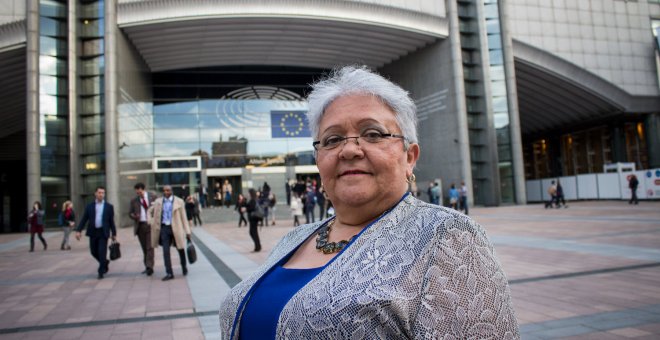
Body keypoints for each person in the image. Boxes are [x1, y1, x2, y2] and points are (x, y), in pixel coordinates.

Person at [219, 66, 518, 338]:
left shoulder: (448, 236)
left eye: (372, 134)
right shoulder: (294, 238)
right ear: (318, 159)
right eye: (332, 139)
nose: (349, 150)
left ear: (409, 157)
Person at [150, 185, 191, 281]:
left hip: (176, 228)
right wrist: (151, 221)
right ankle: (169, 272)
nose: (166, 192)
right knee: (165, 251)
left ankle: (184, 267)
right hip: (164, 228)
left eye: (168, 190)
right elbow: (150, 211)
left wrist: (187, 231)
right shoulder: (158, 202)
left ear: (172, 191)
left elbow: (183, 217)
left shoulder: (179, 201)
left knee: (180, 249)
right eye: (164, 190)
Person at [75, 187, 117, 279]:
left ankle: (101, 271)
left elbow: (111, 221)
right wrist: (78, 230)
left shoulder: (109, 207)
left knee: (102, 252)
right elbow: (84, 219)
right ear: (95, 193)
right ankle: (104, 262)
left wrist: (114, 233)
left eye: (103, 193)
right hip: (93, 232)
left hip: (103, 232)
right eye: (99, 192)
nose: (101, 194)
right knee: (93, 252)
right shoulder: (89, 206)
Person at [128, 183, 155, 276]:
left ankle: (149, 267)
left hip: (150, 225)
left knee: (149, 247)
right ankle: (147, 266)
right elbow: (130, 213)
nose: (138, 193)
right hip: (140, 226)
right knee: (144, 248)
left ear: (144, 189)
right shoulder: (134, 201)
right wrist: (134, 216)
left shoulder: (153, 197)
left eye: (140, 191)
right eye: (137, 192)